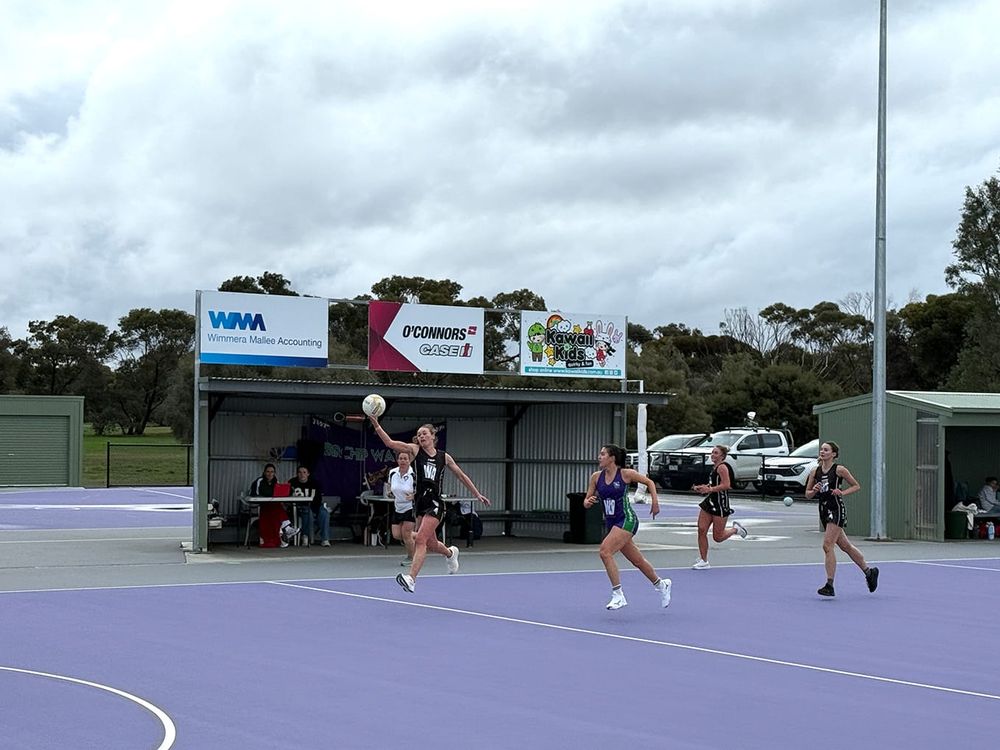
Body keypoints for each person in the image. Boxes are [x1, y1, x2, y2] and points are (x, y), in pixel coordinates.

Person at [368, 416, 491, 593]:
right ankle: (450, 553)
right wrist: (376, 425)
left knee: (420, 540)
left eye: (424, 433)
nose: (421, 436)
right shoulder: (415, 451)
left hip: (435, 503)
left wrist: (477, 494)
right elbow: (390, 443)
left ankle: (411, 578)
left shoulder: (444, 457)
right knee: (432, 544)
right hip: (420, 504)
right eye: (419, 435)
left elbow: (461, 476)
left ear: (433, 436)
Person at [583, 444, 672, 610]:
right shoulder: (596, 477)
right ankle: (661, 584)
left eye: (602, 454)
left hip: (627, 519)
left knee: (605, 551)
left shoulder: (625, 474)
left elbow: (649, 482)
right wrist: (587, 502)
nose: (599, 457)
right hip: (612, 523)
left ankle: (618, 594)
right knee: (637, 560)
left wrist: (655, 502)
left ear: (612, 458)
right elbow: (587, 501)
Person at [804, 441, 878, 597]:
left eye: (826, 450)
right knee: (845, 546)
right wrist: (814, 490)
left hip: (836, 508)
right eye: (822, 449)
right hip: (824, 510)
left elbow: (856, 485)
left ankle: (829, 585)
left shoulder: (839, 470)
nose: (822, 451)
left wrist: (842, 492)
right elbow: (807, 494)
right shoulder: (814, 472)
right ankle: (869, 572)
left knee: (827, 545)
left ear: (833, 454)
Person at [690, 445, 747, 569]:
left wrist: (709, 489)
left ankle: (735, 529)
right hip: (710, 501)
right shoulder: (714, 468)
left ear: (722, 456)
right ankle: (704, 560)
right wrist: (703, 488)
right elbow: (714, 484)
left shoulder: (722, 468)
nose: (712, 455)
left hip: (720, 503)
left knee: (718, 537)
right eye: (712, 452)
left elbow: (726, 485)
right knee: (701, 529)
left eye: (716, 453)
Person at [248, 463, 299, 547]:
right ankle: (287, 527)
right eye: (268, 471)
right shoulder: (259, 481)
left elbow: (278, 493)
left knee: (276, 506)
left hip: (272, 505)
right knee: (276, 506)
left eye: (272, 472)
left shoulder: (276, 481)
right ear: (264, 472)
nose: (270, 474)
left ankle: (284, 533)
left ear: (274, 473)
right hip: (260, 506)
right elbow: (261, 493)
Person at [385, 451, 417, 566]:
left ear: (409, 461)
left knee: (406, 534)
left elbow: (422, 489)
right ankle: (422, 536)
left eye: (405, 459)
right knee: (397, 535)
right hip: (397, 506)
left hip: (410, 507)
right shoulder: (393, 472)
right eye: (401, 458)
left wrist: (414, 495)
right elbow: (389, 486)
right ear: (397, 460)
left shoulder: (414, 474)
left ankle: (411, 558)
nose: (403, 461)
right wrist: (389, 492)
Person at [287, 465, 329, 547]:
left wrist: (314, 507)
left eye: (304, 472)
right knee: (307, 511)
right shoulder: (292, 482)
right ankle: (305, 536)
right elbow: (287, 497)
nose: (302, 474)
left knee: (324, 513)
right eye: (299, 472)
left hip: (314, 506)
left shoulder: (314, 483)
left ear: (308, 474)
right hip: (299, 508)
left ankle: (325, 539)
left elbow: (318, 499)